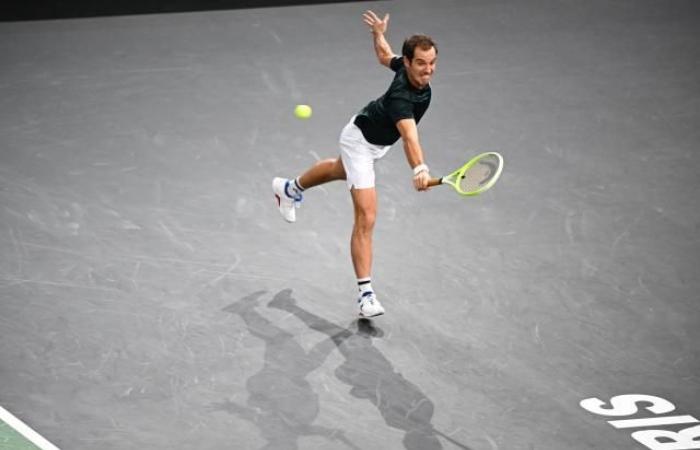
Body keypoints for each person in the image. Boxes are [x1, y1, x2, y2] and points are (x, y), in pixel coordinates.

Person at [272, 10, 438, 318]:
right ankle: (366, 295)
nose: (428, 70)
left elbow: (384, 55)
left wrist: (378, 33)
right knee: (367, 216)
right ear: (409, 61)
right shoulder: (403, 96)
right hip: (360, 142)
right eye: (421, 63)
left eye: (432, 63)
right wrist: (420, 168)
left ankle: (288, 188)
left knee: (338, 169)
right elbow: (409, 137)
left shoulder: (405, 69)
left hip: (372, 141)